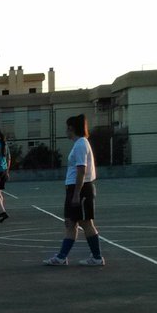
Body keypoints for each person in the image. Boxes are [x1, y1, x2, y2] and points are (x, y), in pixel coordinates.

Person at [44, 114, 104, 267]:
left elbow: (81, 170)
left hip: (81, 189)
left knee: (86, 223)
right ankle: (61, 257)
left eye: (67, 128)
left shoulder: (81, 144)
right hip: (73, 189)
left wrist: (77, 193)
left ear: (72, 128)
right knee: (70, 223)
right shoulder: (78, 144)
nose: (66, 130)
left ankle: (97, 257)